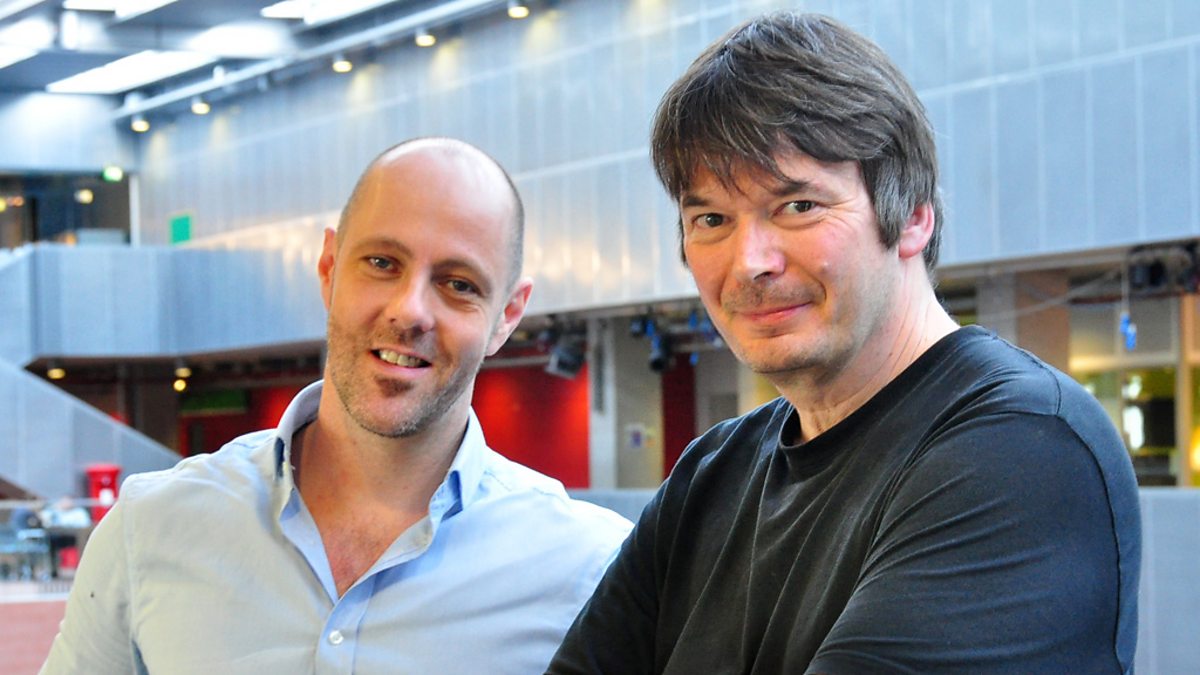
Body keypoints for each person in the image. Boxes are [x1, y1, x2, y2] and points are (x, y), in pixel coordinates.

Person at [550, 12, 1140, 674]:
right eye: (711, 218)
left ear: (912, 216)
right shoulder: (710, 473)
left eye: (798, 206)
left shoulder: (1024, 447)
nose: (750, 263)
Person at [42, 138, 632, 674]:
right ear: (329, 268)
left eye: (458, 284)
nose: (409, 311)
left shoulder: (590, 570)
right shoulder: (150, 528)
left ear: (507, 315)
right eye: (382, 263)